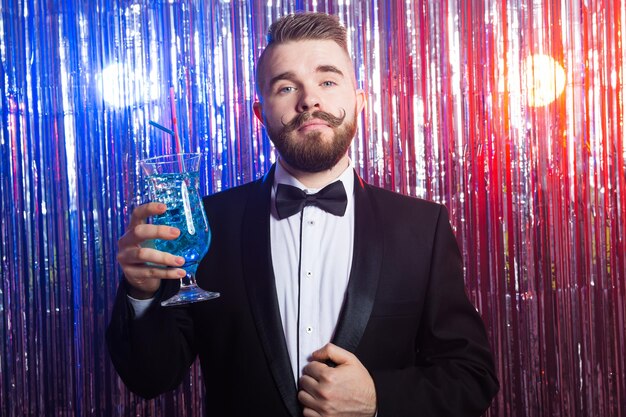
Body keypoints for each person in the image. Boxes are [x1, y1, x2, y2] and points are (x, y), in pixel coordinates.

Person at [107, 12, 499, 417]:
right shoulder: (206, 226)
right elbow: (150, 378)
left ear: (358, 102)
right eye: (287, 86)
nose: (309, 99)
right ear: (261, 115)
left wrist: (379, 399)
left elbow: (471, 376)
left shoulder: (422, 228)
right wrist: (141, 292)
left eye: (328, 82)